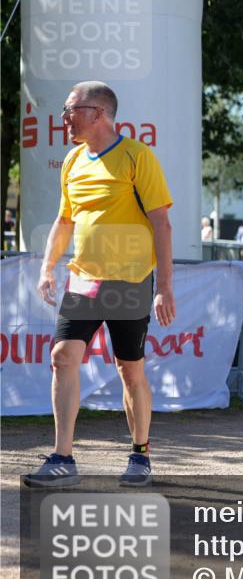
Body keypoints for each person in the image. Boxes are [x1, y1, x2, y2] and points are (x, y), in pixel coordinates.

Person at [25, 81, 176, 488]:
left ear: (99, 113)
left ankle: (140, 455)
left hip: (130, 282)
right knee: (62, 356)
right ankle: (62, 458)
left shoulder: (136, 156)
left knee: (129, 370)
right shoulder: (73, 160)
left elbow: (162, 222)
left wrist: (164, 285)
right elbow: (65, 221)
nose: (64, 116)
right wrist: (47, 267)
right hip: (83, 281)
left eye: (71, 108)